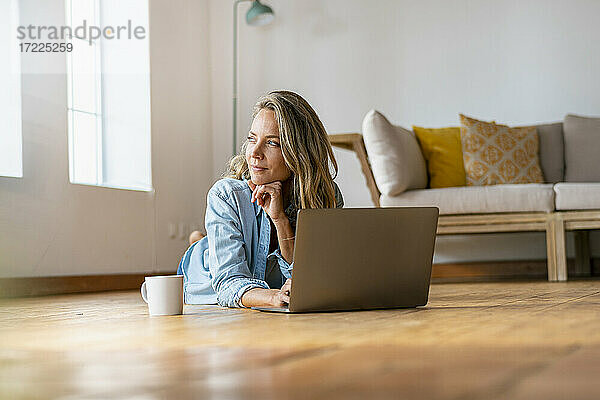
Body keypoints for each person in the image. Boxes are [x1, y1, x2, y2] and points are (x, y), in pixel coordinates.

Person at [177, 90, 344, 308]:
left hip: (265, 273)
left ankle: (202, 238)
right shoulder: (226, 195)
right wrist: (274, 297)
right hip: (202, 274)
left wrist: (280, 219)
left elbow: (310, 280)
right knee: (205, 252)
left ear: (299, 152)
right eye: (251, 139)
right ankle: (199, 243)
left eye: (272, 143)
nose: (254, 152)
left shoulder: (325, 196)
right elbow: (229, 284)